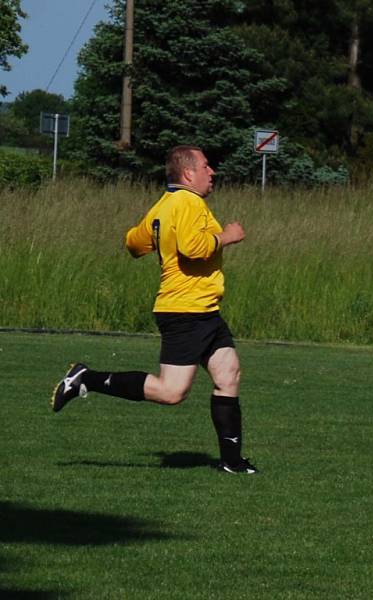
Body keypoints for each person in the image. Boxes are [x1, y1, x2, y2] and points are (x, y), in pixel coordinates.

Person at [51, 145, 257, 474]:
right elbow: (193, 248)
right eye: (206, 165)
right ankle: (84, 377)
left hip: (204, 309)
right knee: (171, 392)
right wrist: (228, 236)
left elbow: (134, 243)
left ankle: (232, 462)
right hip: (184, 311)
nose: (212, 171)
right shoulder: (189, 202)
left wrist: (161, 238)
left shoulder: (165, 204)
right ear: (189, 173)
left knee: (228, 374)